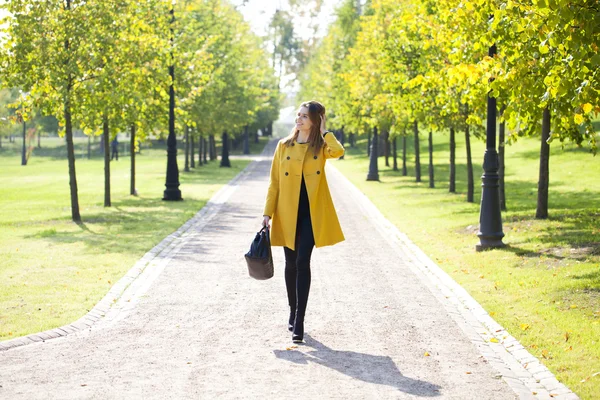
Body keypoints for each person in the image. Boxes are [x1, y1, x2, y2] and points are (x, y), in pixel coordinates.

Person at [262, 100, 345, 343]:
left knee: (302, 261)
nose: (298, 120)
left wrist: (324, 131)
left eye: (305, 116)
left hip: (311, 212)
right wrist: (267, 213)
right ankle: (292, 309)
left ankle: (300, 320)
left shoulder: (320, 147)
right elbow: (274, 182)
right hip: (287, 212)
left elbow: (338, 152)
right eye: (298, 115)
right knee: (290, 264)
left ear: (314, 121)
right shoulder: (283, 146)